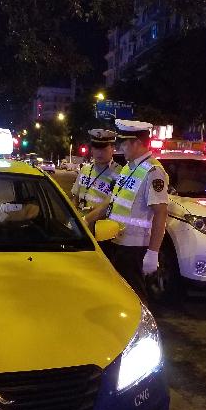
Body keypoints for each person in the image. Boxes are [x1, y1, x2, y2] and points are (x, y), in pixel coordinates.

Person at [90, 119, 169, 302]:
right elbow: (112, 201)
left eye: (124, 143)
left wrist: (153, 253)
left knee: (135, 297)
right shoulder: (129, 168)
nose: (120, 148)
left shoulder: (154, 172)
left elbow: (161, 212)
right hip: (117, 242)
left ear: (137, 143)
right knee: (119, 295)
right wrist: (86, 220)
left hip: (135, 248)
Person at [71, 129, 121, 215]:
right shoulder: (85, 169)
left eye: (103, 149)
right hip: (80, 220)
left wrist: (86, 220)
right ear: (92, 149)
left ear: (112, 149)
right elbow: (75, 199)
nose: (99, 153)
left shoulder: (120, 173)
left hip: (101, 222)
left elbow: (111, 206)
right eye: (96, 148)